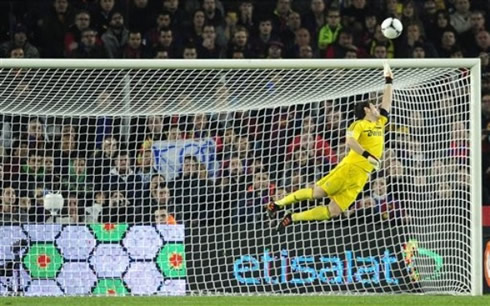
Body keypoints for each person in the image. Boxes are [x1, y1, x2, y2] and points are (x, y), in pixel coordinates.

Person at [266, 64, 393, 232]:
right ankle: (277, 204)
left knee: (334, 211)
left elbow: (386, 103)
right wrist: (367, 155)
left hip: (362, 176)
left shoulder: (380, 123)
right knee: (317, 193)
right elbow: (350, 141)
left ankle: (292, 217)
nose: (377, 108)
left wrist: (389, 80)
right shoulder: (359, 124)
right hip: (350, 168)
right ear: (367, 109)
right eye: (374, 106)